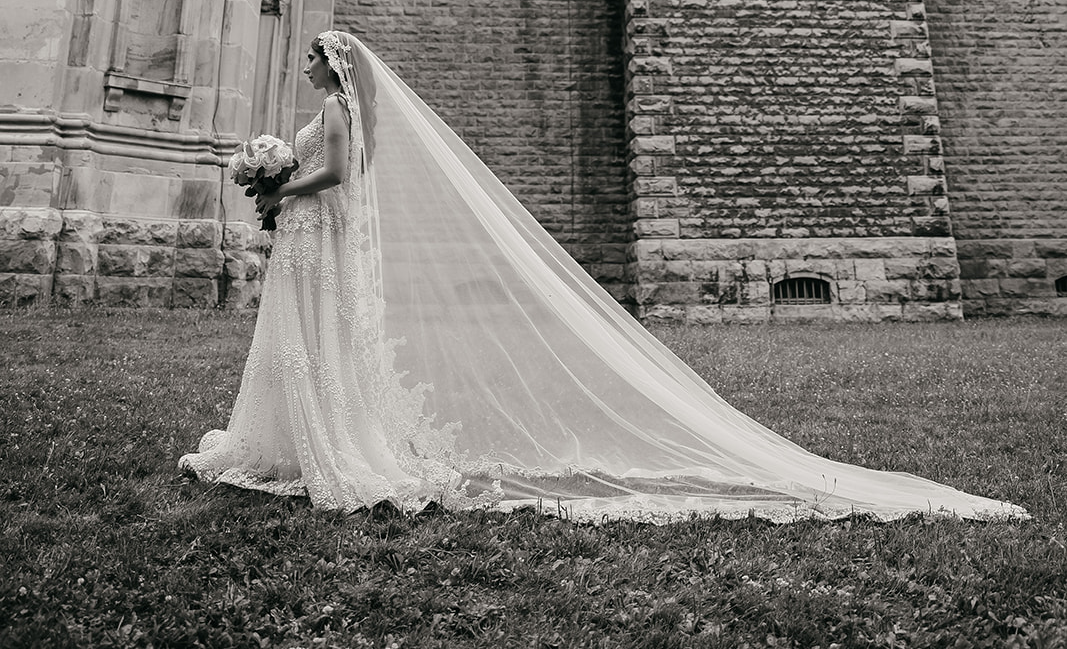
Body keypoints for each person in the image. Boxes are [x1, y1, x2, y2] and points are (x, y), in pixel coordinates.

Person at [179, 30, 1028, 524]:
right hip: (309, 234)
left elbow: (339, 175)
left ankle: (329, 443)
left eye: (312, 58)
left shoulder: (335, 110)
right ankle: (293, 438)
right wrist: (281, 181)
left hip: (313, 227)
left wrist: (281, 183)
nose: (305, 65)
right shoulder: (339, 108)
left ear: (332, 67)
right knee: (308, 338)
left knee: (315, 336)